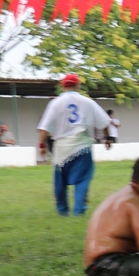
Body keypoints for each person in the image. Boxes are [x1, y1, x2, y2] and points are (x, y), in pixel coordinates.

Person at [37, 74, 111, 216]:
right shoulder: (88, 102)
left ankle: (62, 210)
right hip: (82, 146)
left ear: (63, 86)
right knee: (82, 180)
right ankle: (79, 210)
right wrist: (107, 138)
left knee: (60, 182)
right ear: (78, 85)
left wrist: (42, 145)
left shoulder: (56, 103)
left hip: (62, 149)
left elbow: (44, 128)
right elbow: (105, 122)